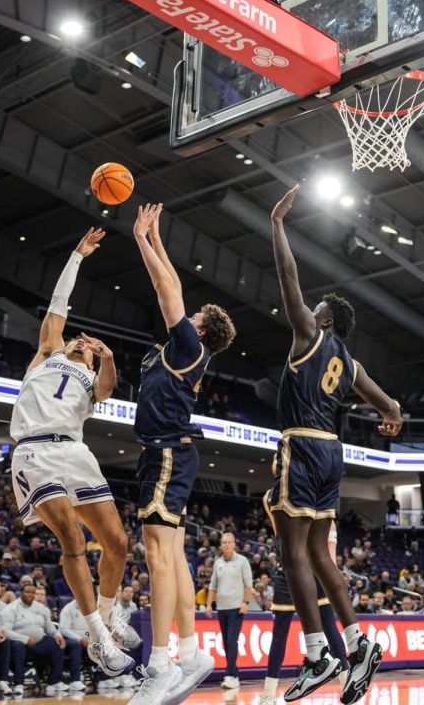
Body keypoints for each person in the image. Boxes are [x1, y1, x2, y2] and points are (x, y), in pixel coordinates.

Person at [269, 185, 403, 703]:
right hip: (331, 455)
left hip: (301, 446)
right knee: (322, 557)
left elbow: (287, 278)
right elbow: (391, 406)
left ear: (322, 318)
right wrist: (390, 419)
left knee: (292, 552)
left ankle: (317, 652)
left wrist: (278, 224)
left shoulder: (309, 335)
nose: (310, 306)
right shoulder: (351, 363)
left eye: (316, 306)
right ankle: (357, 642)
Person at [8, 227, 138, 679]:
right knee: (73, 539)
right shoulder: (48, 353)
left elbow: (107, 386)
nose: (79, 339)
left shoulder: (91, 379)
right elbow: (57, 309)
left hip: (76, 452)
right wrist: (77, 256)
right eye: (76, 339)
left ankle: (109, 616)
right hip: (35, 452)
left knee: (119, 543)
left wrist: (106, 357)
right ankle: (98, 639)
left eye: (86, 343)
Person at [129, 203, 234, 705]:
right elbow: (174, 287)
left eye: (193, 318)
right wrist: (157, 237)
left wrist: (140, 242)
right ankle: (190, 653)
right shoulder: (188, 349)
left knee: (157, 554)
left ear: (202, 330)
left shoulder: (191, 347)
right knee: (169, 553)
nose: (184, 315)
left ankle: (160, 664)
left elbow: (166, 289)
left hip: (166, 452)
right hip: (169, 453)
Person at [257, 483, 347, 705]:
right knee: (279, 633)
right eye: (277, 459)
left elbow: (328, 532)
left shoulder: (311, 491)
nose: (279, 461)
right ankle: (268, 694)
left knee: (330, 627)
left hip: (314, 571)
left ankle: (348, 684)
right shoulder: (271, 495)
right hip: (287, 570)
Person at [204, 532, 253, 690]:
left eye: (228, 542)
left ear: (234, 544)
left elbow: (248, 584)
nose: (226, 544)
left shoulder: (242, 561)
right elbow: (212, 586)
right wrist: (209, 605)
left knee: (232, 641)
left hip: (236, 607)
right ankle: (234, 673)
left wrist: (246, 602)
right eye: (223, 542)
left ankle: (230, 675)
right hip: (222, 608)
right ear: (220, 545)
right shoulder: (218, 563)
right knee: (226, 642)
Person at [1, 584, 68, 695]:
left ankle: (54, 682)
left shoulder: (41, 608)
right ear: (21, 593)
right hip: (20, 643)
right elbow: (5, 631)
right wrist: (25, 639)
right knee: (17, 646)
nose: (30, 595)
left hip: (39, 641)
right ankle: (19, 684)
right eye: (27, 592)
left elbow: (49, 627)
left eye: (33, 592)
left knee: (57, 644)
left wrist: (57, 635)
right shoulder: (11, 609)